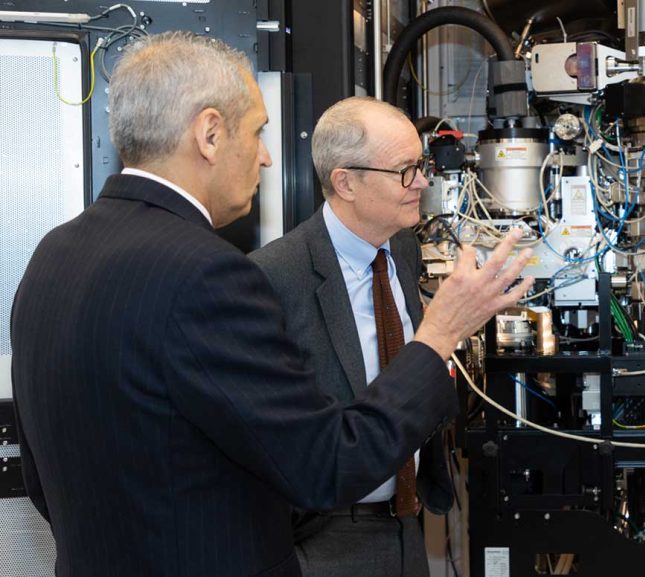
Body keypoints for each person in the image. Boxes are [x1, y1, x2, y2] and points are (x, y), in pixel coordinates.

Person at [10, 32, 533, 577]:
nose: (265, 157)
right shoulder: (208, 275)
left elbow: (42, 482)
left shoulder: (52, 255)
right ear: (210, 134)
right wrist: (440, 334)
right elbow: (327, 464)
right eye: (258, 132)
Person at [249, 97, 448, 577]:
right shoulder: (273, 277)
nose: (422, 182)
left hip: (406, 525)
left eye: (421, 166)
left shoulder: (401, 250)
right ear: (345, 182)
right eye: (405, 170)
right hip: (325, 541)